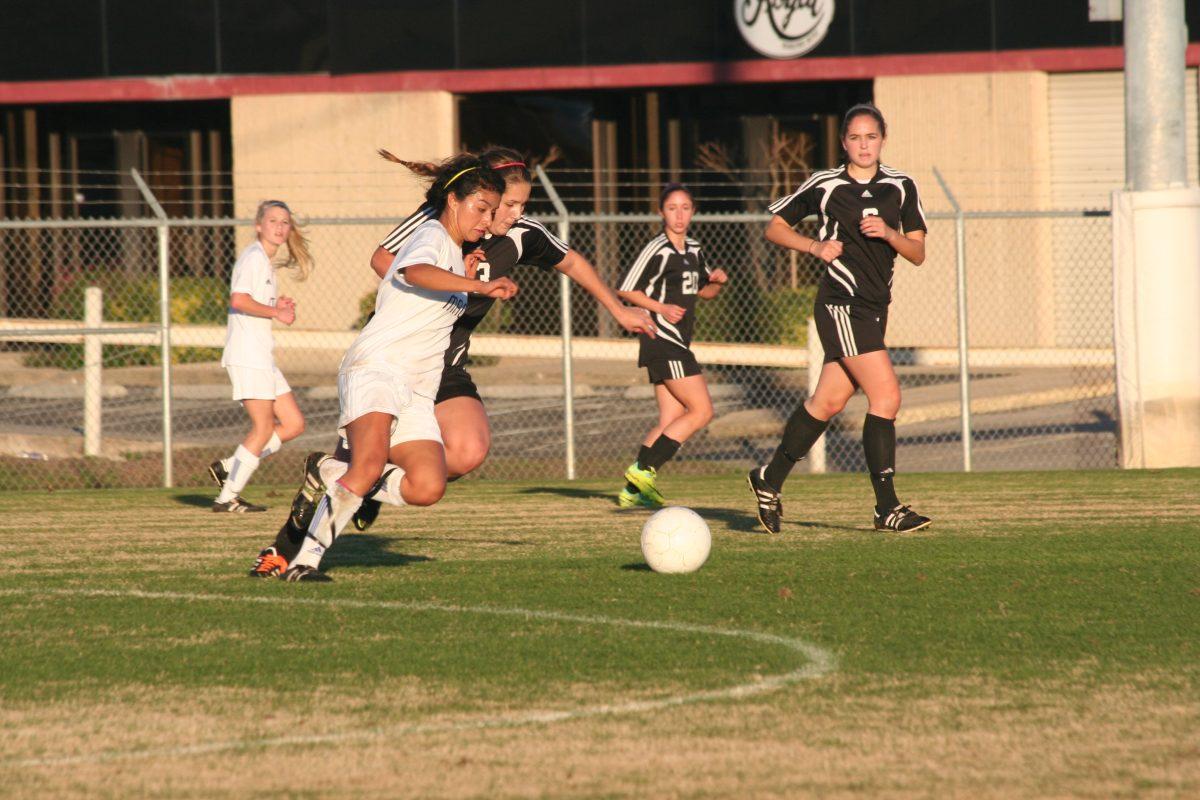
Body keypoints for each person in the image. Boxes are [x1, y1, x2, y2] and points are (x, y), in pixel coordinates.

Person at [256, 155, 515, 581]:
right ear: (453, 200)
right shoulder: (431, 234)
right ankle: (305, 562)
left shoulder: (453, 253)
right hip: (377, 369)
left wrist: (464, 274)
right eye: (481, 208)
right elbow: (413, 270)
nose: (488, 220)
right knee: (369, 466)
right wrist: (477, 284)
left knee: (428, 486)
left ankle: (327, 470)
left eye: (493, 211)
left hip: (416, 391)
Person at [747, 103, 931, 534]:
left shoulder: (901, 186)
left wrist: (889, 233)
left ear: (883, 138)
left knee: (827, 403)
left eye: (871, 137)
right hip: (840, 303)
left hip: (873, 307)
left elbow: (918, 253)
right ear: (843, 141)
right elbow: (774, 228)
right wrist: (814, 247)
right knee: (886, 397)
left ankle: (768, 479)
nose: (863, 145)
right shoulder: (825, 184)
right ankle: (886, 507)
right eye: (855, 137)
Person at [617, 183, 727, 508]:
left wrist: (717, 283)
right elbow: (626, 290)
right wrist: (661, 308)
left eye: (685, 208)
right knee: (702, 410)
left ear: (693, 211)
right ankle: (645, 469)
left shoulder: (694, 249)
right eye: (672, 208)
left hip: (676, 341)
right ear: (661, 212)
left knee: (669, 419)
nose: (679, 215)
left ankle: (632, 491)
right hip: (663, 339)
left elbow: (703, 292)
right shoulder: (657, 248)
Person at [209, 200, 312, 512]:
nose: (280, 228)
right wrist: (275, 312)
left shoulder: (265, 262)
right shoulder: (253, 257)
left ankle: (231, 466)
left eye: (285, 222)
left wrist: (275, 304)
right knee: (263, 428)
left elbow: (252, 301)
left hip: (261, 356)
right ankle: (227, 497)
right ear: (258, 225)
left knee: (293, 423)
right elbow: (239, 300)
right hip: (247, 356)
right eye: (273, 221)